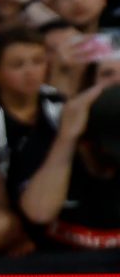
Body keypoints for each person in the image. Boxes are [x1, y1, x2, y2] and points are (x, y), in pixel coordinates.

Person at [0, 25, 61, 252]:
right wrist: (17, 230)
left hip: (42, 194)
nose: (31, 71)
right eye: (18, 65)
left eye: (38, 62)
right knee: (3, 231)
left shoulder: (59, 104)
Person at [21, 72, 120, 250]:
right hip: (60, 269)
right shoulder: (48, 141)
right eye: (108, 74)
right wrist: (66, 138)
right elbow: (39, 213)